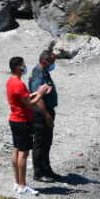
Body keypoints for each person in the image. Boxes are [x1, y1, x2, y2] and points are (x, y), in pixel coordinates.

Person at [6, 56, 50, 196]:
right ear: (18, 67)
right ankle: (22, 184)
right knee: (23, 153)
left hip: (14, 119)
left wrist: (36, 92)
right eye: (23, 65)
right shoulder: (18, 84)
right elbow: (30, 103)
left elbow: (24, 98)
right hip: (21, 120)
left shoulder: (11, 81)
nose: (25, 67)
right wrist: (41, 93)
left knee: (16, 149)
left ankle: (17, 182)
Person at [26, 47, 61, 182]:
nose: (53, 64)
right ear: (45, 61)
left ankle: (47, 169)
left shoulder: (44, 72)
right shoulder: (38, 74)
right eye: (52, 61)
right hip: (41, 113)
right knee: (40, 142)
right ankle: (39, 172)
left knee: (47, 142)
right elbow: (37, 98)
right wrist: (47, 116)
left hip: (47, 111)